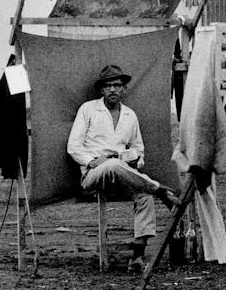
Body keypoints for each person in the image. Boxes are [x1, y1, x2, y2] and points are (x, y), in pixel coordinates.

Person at [67, 64, 178, 272]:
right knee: (112, 164)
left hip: (124, 174)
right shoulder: (88, 109)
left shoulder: (130, 115)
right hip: (94, 174)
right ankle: (161, 190)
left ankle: (137, 257)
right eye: (108, 86)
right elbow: (73, 146)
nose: (112, 90)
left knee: (144, 195)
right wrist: (92, 161)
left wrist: (132, 158)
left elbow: (139, 150)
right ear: (101, 90)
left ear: (124, 89)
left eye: (117, 85)